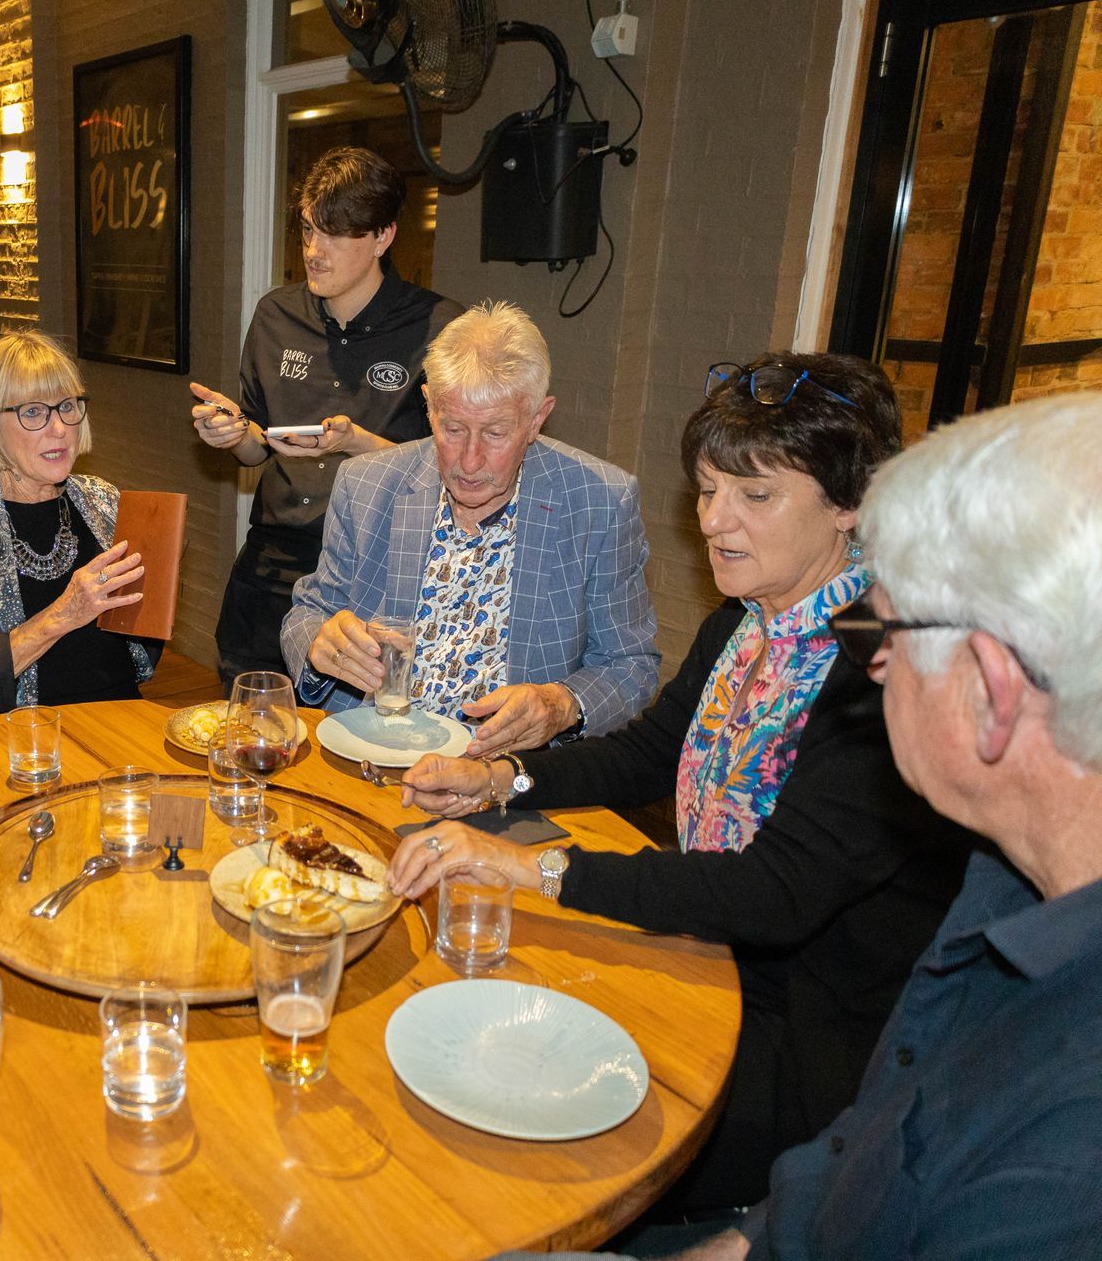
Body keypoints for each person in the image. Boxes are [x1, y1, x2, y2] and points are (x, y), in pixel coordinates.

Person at [506, 395, 1102, 1261]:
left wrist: (539, 871)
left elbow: (779, 899)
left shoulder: (1068, 1124)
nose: (869, 660)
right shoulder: (1006, 890)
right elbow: (866, 1164)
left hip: (781, 1023)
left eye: (887, 634)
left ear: (993, 689)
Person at [392, 353, 968, 1213]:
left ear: (853, 505)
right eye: (706, 491)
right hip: (704, 954)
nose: (715, 520)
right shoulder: (743, 621)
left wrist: (526, 867)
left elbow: (776, 893)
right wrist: (495, 779)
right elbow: (647, 753)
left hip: (806, 1040)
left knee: (511, 1140)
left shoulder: (886, 670)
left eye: (755, 495)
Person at [282, 301, 659, 754]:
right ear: (429, 407)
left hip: (504, 769)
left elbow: (631, 663)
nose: (470, 461)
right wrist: (319, 645)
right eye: (453, 429)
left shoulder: (598, 503)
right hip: (370, 752)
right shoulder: (367, 483)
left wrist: (562, 703)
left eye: (496, 433)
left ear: (537, 419)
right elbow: (309, 611)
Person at [190, 146, 464, 685]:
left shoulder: (439, 329)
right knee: (248, 713)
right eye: (309, 230)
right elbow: (256, 447)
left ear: (382, 236)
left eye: (336, 234)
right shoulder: (276, 314)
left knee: (353, 734)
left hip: (377, 566)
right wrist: (231, 433)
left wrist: (357, 444)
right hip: (274, 555)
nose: (315, 250)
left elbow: (458, 468)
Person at [0, 331, 155, 723]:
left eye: (67, 406)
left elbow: (140, 654)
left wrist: (156, 582)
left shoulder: (104, 499)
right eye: (33, 412)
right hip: (18, 741)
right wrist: (60, 616)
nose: (58, 428)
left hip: (119, 720)